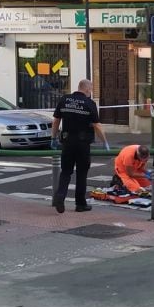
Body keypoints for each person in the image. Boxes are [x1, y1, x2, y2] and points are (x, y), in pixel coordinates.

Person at [50, 79, 108, 213]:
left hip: (67, 141)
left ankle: (60, 196)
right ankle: (80, 204)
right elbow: (97, 125)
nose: (91, 92)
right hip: (83, 143)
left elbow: (56, 120)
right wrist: (104, 141)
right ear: (87, 89)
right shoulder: (89, 103)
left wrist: (53, 138)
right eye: (91, 90)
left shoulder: (64, 100)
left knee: (66, 171)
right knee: (82, 173)